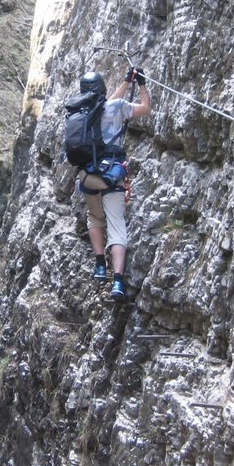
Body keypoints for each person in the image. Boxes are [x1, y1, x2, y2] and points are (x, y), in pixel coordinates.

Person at [76, 68, 151, 299]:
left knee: (94, 217)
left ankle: (100, 265)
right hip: (111, 174)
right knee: (116, 223)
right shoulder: (117, 107)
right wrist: (141, 84)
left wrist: (126, 82)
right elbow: (145, 109)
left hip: (89, 176)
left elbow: (105, 104)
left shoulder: (80, 113)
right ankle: (117, 281)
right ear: (103, 89)